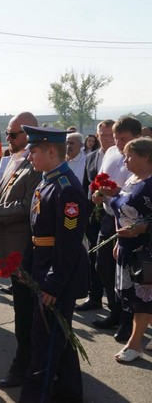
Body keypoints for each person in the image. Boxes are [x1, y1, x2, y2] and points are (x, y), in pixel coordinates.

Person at [19, 125, 89, 403]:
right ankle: (70, 393)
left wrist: (54, 283)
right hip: (43, 269)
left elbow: (68, 243)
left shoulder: (67, 188)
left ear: (50, 151)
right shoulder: (47, 180)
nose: (29, 156)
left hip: (57, 275)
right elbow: (37, 232)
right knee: (59, 336)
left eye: (34, 150)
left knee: (45, 343)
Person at [0, 112, 41, 389]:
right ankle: (27, 363)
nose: (8, 139)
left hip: (25, 250)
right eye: (8, 134)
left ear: (29, 134)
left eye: (13, 134)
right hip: (11, 247)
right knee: (22, 311)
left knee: (26, 314)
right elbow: (8, 198)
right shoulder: (17, 161)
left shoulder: (36, 163)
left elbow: (27, 206)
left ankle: (24, 366)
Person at [91, 116, 140, 343]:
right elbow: (102, 180)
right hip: (109, 218)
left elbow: (138, 191)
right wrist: (99, 192)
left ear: (137, 137)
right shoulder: (111, 152)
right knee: (103, 265)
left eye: (124, 139)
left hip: (131, 222)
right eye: (117, 138)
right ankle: (114, 310)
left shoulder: (142, 157)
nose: (119, 144)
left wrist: (114, 191)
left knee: (127, 274)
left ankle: (127, 321)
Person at [108, 137, 152, 363]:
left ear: (146, 156)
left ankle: (134, 344)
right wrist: (118, 240)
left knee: (141, 300)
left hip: (145, 252)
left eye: (130, 155)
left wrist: (143, 227)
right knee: (136, 298)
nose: (125, 160)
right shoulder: (133, 179)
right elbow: (124, 211)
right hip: (127, 248)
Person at [76, 120, 115, 312]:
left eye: (110, 134)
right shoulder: (90, 157)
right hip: (93, 216)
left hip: (115, 217)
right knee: (94, 259)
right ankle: (95, 297)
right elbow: (85, 186)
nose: (106, 138)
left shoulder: (122, 158)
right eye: (102, 134)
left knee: (109, 263)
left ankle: (118, 304)